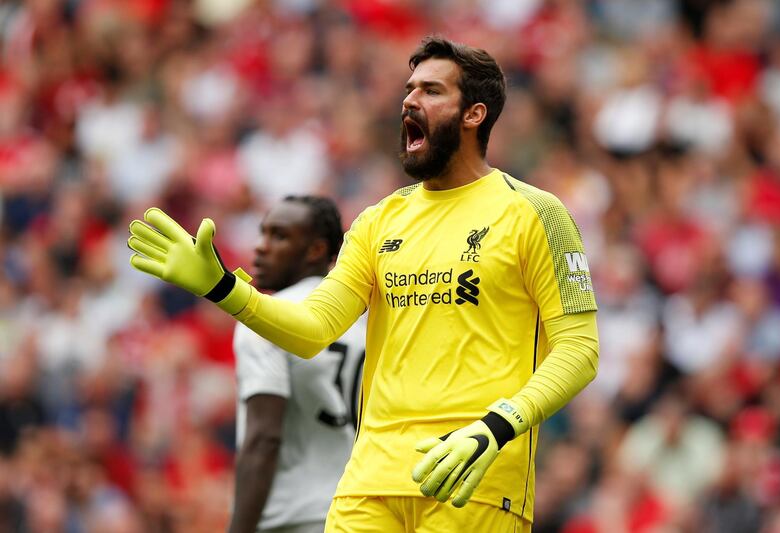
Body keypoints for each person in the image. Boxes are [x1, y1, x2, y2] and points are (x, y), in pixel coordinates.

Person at [129, 37, 600, 532]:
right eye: (409, 88)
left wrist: (495, 428)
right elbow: (314, 328)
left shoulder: (534, 212)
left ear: (474, 114)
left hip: (473, 480)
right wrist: (224, 288)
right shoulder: (380, 220)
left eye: (432, 90)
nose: (409, 100)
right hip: (368, 480)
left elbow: (579, 350)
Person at [229, 196, 366, 533]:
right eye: (262, 234)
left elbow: (264, 438)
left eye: (279, 236)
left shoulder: (262, 316)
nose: (260, 247)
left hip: (290, 517)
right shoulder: (365, 322)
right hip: (358, 511)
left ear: (316, 250)